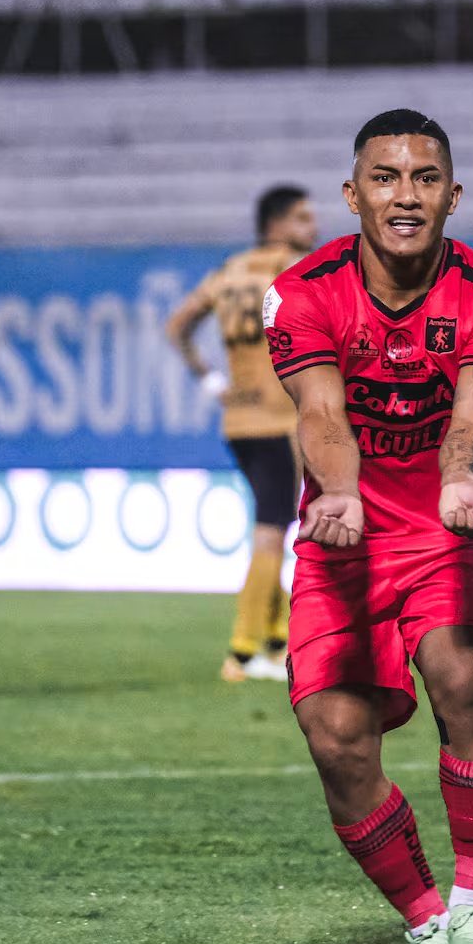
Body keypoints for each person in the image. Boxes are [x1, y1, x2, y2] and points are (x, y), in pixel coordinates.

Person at [263, 109, 473, 944]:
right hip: (344, 535)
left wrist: (460, 480)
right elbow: (320, 414)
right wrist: (340, 492)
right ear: (353, 196)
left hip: (450, 528)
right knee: (336, 737)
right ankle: (426, 920)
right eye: (385, 178)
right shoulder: (302, 293)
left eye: (425, 179)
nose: (406, 195)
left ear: (454, 196)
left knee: (462, 674)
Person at [167, 185, 318, 681]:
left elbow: (177, 326)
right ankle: (242, 651)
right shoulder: (296, 271)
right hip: (279, 420)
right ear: (276, 224)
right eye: (302, 218)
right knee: (273, 531)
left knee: (271, 522)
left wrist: (212, 381)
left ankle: (275, 642)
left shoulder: (228, 272)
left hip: (238, 420)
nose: (312, 228)